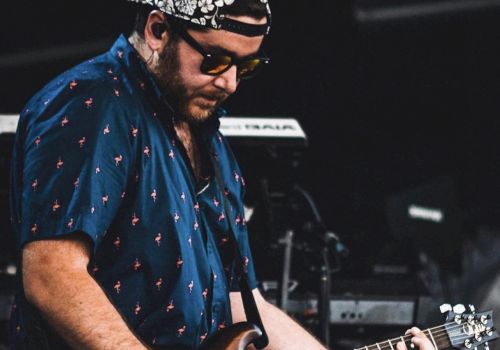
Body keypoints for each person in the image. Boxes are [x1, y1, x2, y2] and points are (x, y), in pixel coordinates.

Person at [8, 0, 438, 349]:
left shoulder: (208, 138)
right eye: (215, 60)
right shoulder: (93, 102)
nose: (230, 82)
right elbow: (53, 276)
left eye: (245, 66)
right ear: (158, 30)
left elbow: (240, 305)